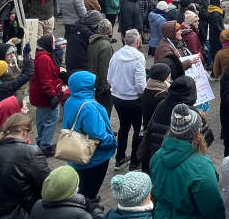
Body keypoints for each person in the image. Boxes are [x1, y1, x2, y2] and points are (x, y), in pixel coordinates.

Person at [60, 70, 118, 199]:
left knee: (82, 185)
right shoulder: (89, 107)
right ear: (86, 87)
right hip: (93, 159)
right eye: (92, 85)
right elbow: (99, 136)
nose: (95, 87)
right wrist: (112, 142)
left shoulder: (70, 100)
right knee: (89, 189)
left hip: (75, 152)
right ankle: (88, 202)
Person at [108, 28, 148, 169]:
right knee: (138, 129)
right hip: (134, 100)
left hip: (117, 98)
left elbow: (109, 78)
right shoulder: (139, 58)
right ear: (137, 41)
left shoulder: (116, 55)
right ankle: (134, 161)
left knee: (124, 127)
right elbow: (140, 85)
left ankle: (119, 158)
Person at [30, 33, 67, 155]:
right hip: (46, 96)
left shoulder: (39, 55)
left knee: (41, 119)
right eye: (53, 42)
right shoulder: (44, 58)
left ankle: (41, 142)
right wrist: (53, 95)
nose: (54, 44)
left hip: (39, 94)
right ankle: (45, 146)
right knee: (51, 120)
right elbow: (46, 80)